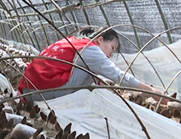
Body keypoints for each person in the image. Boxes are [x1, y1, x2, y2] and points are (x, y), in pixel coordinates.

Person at [18, 27, 163, 102]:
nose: (111, 54)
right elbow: (117, 75)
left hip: (29, 89)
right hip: (40, 92)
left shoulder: (75, 41)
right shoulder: (90, 49)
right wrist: (150, 90)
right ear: (100, 40)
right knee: (92, 72)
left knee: (94, 72)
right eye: (112, 48)